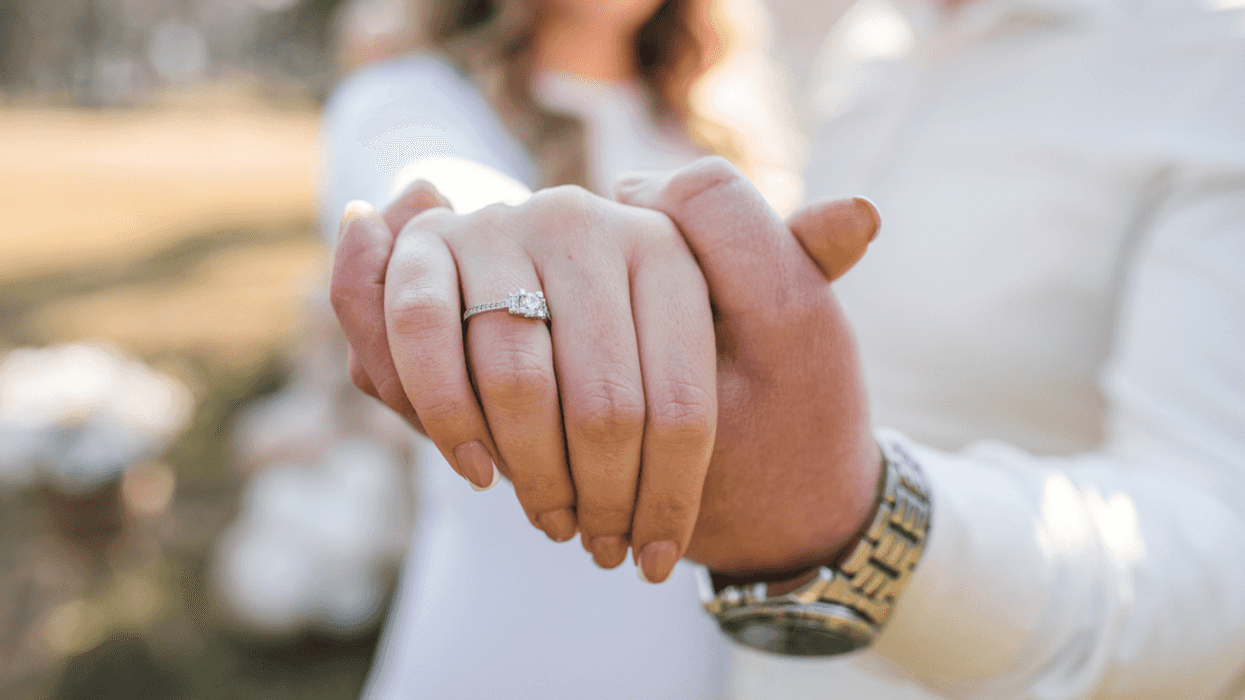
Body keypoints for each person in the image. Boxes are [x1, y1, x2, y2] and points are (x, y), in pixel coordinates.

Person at [331, 0, 1245, 696]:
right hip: (516, 653)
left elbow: (1213, 543)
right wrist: (483, 237)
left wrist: (853, 520)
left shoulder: (731, 125)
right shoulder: (872, 55)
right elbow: (428, 175)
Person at [317, 0, 806, 696]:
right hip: (499, 625)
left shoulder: (724, 141)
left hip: (696, 630)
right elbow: (434, 182)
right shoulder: (409, 96)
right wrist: (489, 242)